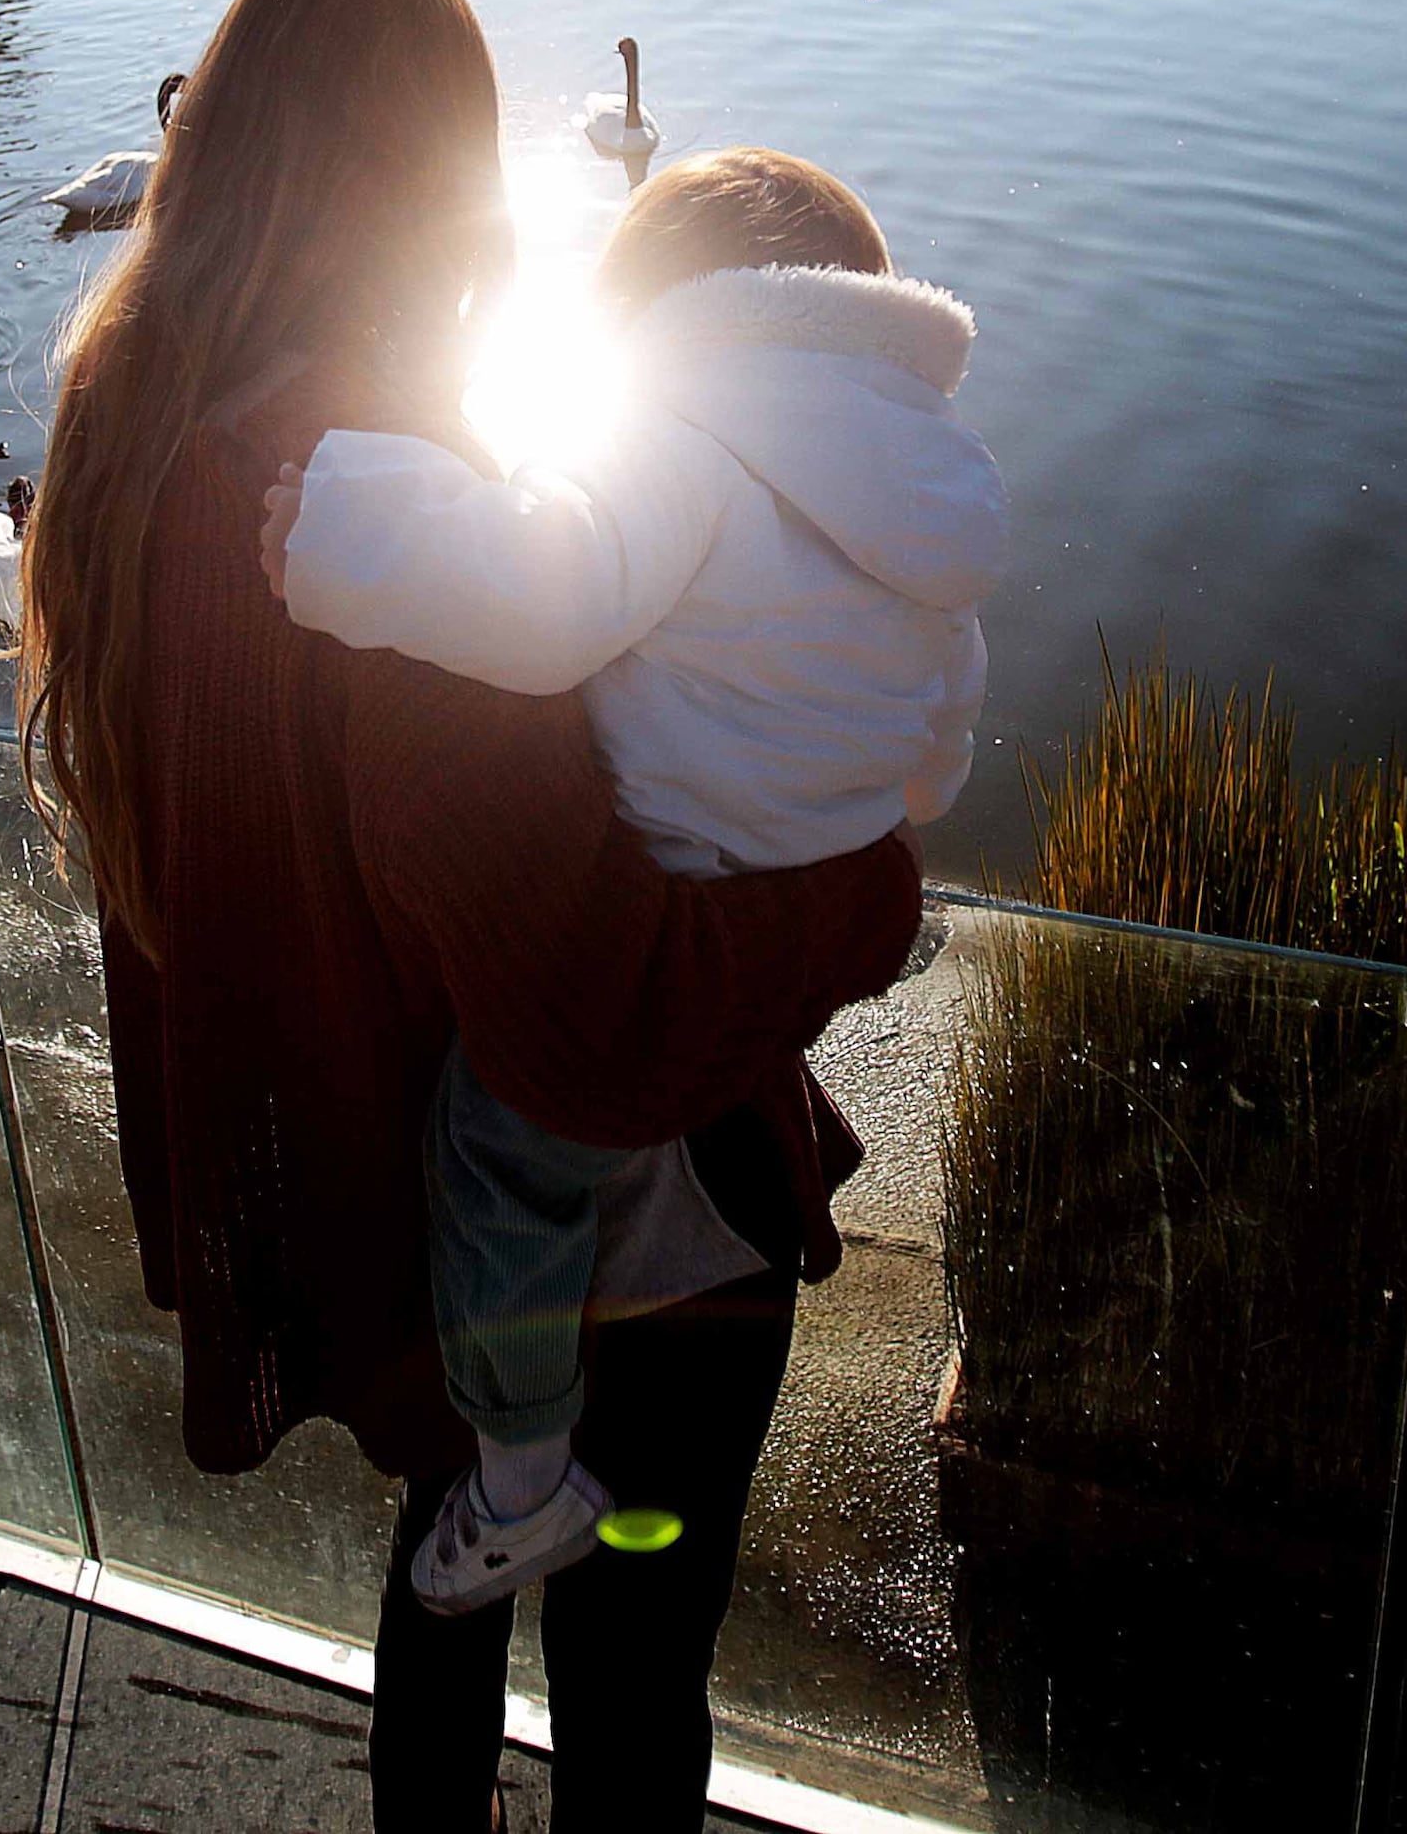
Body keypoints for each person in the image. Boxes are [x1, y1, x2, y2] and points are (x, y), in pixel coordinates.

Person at [21, 0, 921, 1834]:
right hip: (598, 1272)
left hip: (397, 1235)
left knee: (445, 1608)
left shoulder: (134, 456)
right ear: (426, 175)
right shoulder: (366, 508)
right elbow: (595, 1009)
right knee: (631, 1681)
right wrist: (864, 902)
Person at [264, 150, 998, 1605]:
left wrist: (341, 512)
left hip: (663, 882)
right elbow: (938, 762)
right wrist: (835, 821)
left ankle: (523, 1473)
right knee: (660, 1672)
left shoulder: (676, 441)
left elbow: (544, 594)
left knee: (494, 1149)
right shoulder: (936, 514)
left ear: (669, 310)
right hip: (802, 905)